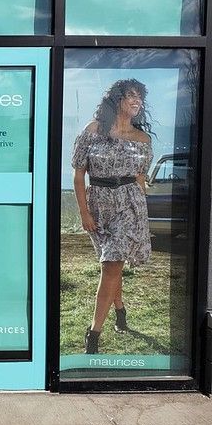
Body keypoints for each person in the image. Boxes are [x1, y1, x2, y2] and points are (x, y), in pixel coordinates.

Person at [71, 78, 154, 354]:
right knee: (111, 265)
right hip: (99, 203)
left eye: (139, 96)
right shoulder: (93, 130)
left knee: (112, 263)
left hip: (130, 203)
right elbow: (79, 174)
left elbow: (140, 180)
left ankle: (93, 334)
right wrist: (84, 212)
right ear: (116, 99)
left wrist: (141, 217)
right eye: (130, 95)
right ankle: (119, 309)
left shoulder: (142, 140)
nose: (136, 100)